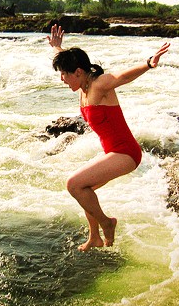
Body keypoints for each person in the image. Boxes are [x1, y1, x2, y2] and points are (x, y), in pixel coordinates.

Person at [47, 24, 170, 251]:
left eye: (64, 74)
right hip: (112, 152)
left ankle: (107, 223)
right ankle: (94, 237)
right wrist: (58, 48)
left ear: (79, 73)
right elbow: (67, 62)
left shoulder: (98, 84)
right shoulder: (81, 83)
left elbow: (121, 77)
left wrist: (148, 63)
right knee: (85, 190)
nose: (62, 79)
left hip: (125, 152)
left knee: (74, 184)